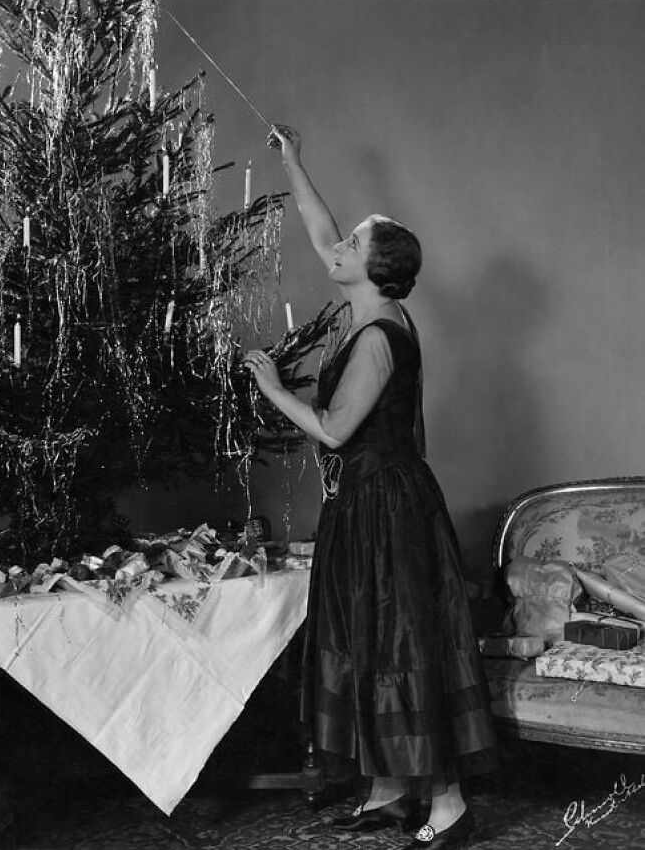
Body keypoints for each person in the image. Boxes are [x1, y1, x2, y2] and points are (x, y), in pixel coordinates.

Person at [244, 125, 496, 849]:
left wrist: (272, 387)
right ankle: (388, 789)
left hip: (386, 505)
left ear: (373, 270)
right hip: (370, 502)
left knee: (401, 643)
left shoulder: (382, 335)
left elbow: (333, 430)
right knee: (371, 641)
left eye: (352, 245)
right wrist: (294, 162)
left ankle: (448, 804)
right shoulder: (378, 308)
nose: (336, 248)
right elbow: (322, 230)